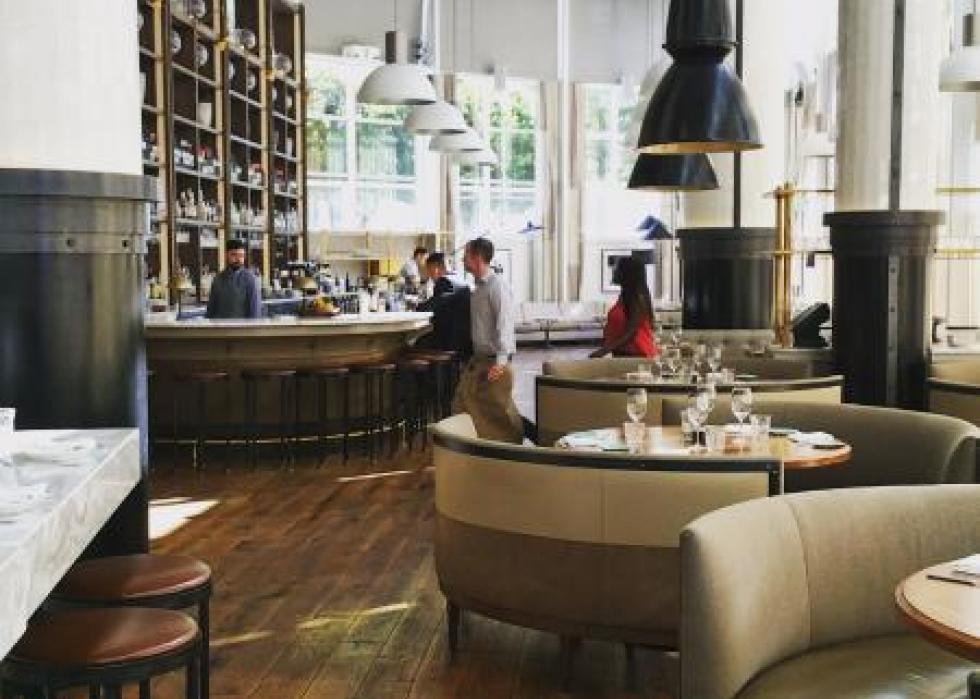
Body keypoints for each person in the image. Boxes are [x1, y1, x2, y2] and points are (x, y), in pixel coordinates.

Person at [451, 237, 524, 444]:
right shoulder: (478, 288)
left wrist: (500, 362)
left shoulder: (497, 286)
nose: (463, 260)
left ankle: (515, 450)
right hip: (479, 360)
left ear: (476, 258)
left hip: (494, 362)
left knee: (500, 413)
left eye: (466, 255)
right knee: (462, 403)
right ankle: (471, 448)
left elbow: (505, 323)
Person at [590, 255, 658, 358]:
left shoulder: (636, 297)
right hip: (626, 352)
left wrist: (603, 351)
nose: (614, 271)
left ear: (627, 273)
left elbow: (631, 332)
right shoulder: (627, 295)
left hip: (636, 353)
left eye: (618, 268)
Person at [417, 252, 472, 356]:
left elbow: (431, 306)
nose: (429, 274)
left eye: (429, 269)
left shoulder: (444, 282)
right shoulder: (461, 279)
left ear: (435, 268)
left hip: (448, 342)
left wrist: (417, 307)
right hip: (465, 341)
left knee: (415, 343)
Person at [206, 239, 262, 319]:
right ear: (227, 255)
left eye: (241, 256)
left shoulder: (250, 280)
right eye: (234, 255)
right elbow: (211, 310)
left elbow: (255, 313)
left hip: (241, 326)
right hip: (220, 325)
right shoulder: (218, 279)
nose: (238, 259)